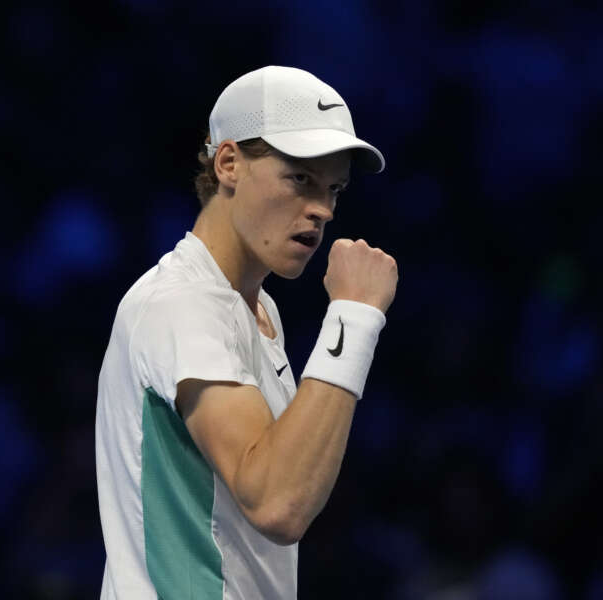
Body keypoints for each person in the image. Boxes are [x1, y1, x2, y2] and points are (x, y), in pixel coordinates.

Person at [95, 65, 397, 599]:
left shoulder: (259, 311)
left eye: (333, 190)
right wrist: (354, 316)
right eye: (300, 178)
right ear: (229, 163)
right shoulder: (181, 303)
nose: (322, 209)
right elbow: (277, 502)